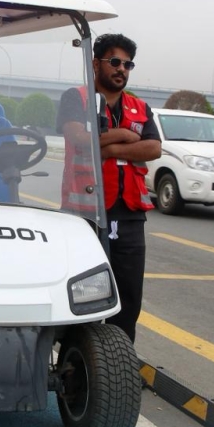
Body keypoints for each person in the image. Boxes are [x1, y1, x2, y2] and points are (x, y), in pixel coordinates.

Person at [56, 33, 161, 343]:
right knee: (81, 293)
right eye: (115, 62)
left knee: (128, 299)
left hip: (129, 215)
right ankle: (75, 358)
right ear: (95, 64)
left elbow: (153, 148)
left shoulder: (140, 107)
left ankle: (120, 357)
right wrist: (127, 136)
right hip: (83, 213)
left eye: (128, 65)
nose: (121, 69)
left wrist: (109, 147)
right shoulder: (76, 98)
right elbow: (78, 138)